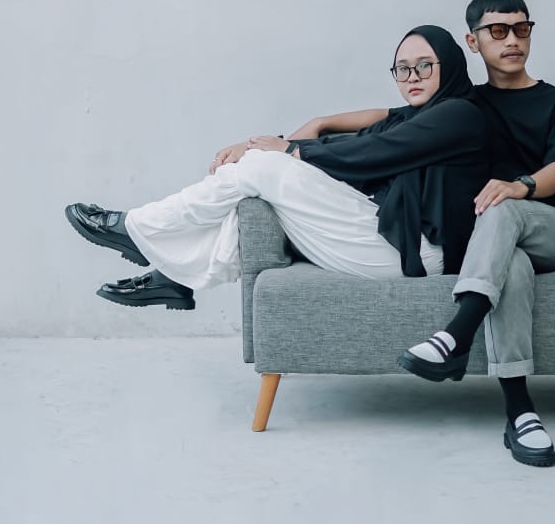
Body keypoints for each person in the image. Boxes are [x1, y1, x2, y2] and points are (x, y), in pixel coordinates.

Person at [65, 25, 489, 310]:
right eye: (402, 68)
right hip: (393, 239)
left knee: (265, 170)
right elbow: (360, 140)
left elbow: (376, 150)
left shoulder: (459, 115)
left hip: (417, 253)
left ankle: (138, 230)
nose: (412, 76)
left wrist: (285, 150)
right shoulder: (414, 118)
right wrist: (295, 138)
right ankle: (176, 275)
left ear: (449, 65)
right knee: (261, 180)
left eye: (425, 65)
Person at [398, 0, 555, 469]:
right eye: (498, 31)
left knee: (500, 207)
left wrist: (520, 186)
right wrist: (315, 126)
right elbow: (389, 119)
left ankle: (455, 336)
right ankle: (520, 413)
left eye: (521, 29)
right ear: (473, 41)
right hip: (502, 245)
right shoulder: (466, 105)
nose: (512, 40)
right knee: (513, 268)